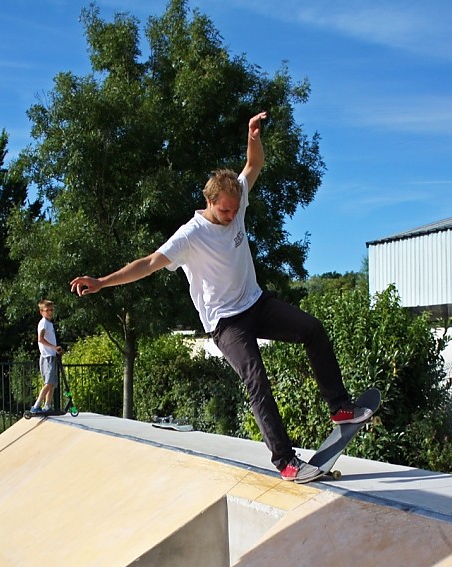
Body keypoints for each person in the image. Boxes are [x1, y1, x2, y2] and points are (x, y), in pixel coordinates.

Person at [69, 111, 372, 481]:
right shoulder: (190, 236)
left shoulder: (238, 196)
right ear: (209, 202)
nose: (231, 216)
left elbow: (253, 163)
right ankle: (286, 462)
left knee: (313, 329)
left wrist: (252, 134)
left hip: (256, 302)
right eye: (224, 210)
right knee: (256, 378)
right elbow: (147, 263)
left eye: (234, 209)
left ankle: (339, 407)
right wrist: (101, 281)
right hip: (226, 322)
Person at [31, 299, 63, 413]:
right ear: (41, 312)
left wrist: (56, 350)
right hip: (47, 356)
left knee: (52, 383)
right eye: (47, 310)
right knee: (49, 383)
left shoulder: (49, 323)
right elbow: (40, 339)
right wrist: (54, 348)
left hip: (52, 355)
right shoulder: (44, 322)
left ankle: (47, 406)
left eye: (51, 310)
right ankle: (36, 405)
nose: (50, 312)